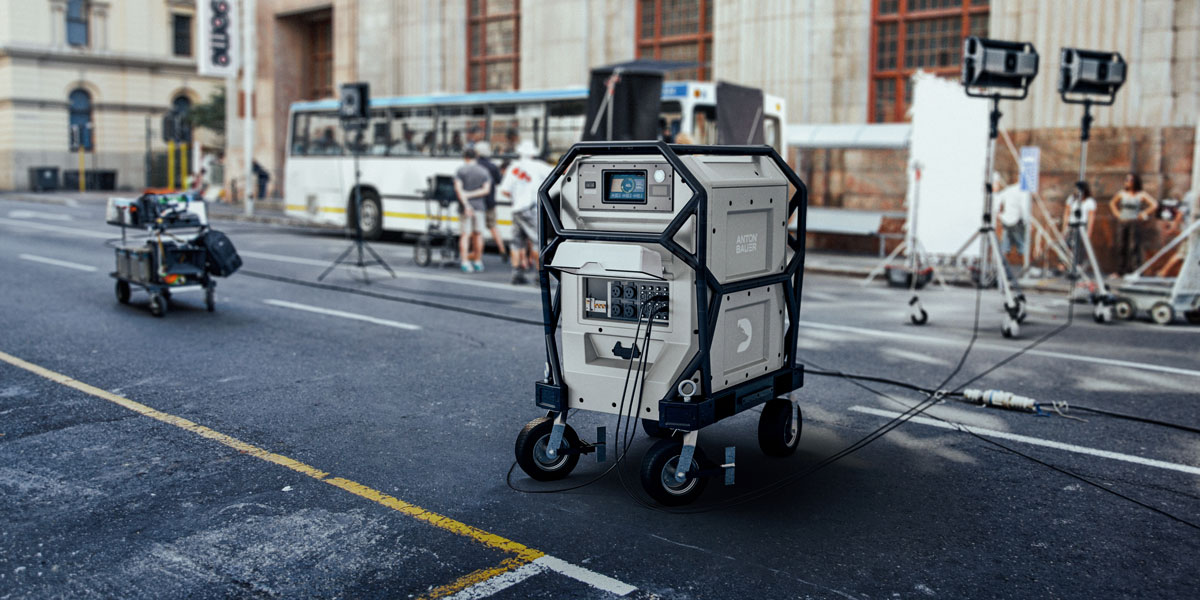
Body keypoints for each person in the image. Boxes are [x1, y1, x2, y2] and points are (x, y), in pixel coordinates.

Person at [497, 140, 552, 284]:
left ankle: (516, 274)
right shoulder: (538, 166)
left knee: (517, 243)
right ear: (533, 153)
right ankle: (540, 276)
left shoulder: (513, 168)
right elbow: (556, 174)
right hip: (530, 209)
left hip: (516, 210)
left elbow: (504, 191)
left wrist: (516, 198)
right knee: (538, 242)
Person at [1109, 173, 1158, 274]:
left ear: (1135, 182)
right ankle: (1121, 270)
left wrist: (1144, 213)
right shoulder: (1122, 193)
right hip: (1123, 221)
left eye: (1130, 180)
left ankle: (1136, 271)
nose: (1127, 182)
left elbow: (1154, 204)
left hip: (1134, 222)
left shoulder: (1141, 194)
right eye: (1126, 180)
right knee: (1121, 246)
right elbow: (1112, 203)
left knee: (1134, 246)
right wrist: (1117, 214)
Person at [454, 147, 492, 273]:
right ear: (476, 157)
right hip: (480, 207)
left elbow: (459, 190)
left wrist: (466, 203)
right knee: (478, 234)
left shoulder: (461, 170)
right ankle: (478, 261)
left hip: (465, 208)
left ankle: (465, 262)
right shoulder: (483, 171)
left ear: (465, 157)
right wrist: (473, 195)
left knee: (465, 235)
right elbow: (486, 190)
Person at [473, 142, 507, 258]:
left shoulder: (474, 165)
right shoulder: (493, 166)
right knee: (493, 226)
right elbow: (498, 181)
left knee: (477, 229)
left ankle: (476, 253)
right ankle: (502, 249)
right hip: (490, 201)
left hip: (476, 201)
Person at [993, 172, 1029, 258]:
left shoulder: (1010, 189)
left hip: (1006, 219)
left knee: (1006, 242)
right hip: (1016, 221)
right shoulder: (1023, 191)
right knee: (1021, 243)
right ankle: (1023, 260)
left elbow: (998, 198)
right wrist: (1027, 221)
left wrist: (998, 213)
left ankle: (1002, 260)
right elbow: (1024, 208)